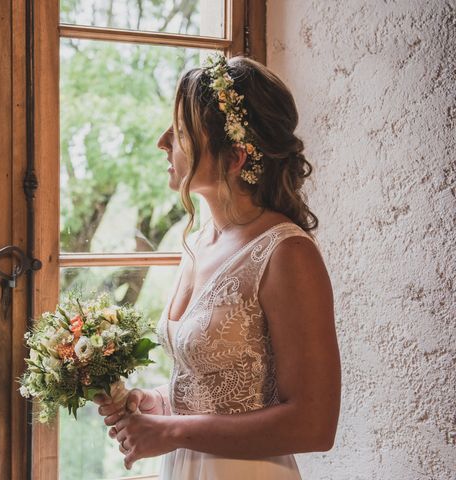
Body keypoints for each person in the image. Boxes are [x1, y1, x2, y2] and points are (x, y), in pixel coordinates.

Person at [93, 54, 341, 479]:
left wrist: (173, 432)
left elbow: (315, 425)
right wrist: (161, 404)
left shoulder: (286, 253)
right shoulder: (195, 243)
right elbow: (215, 387)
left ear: (235, 157)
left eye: (182, 131)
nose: (162, 141)